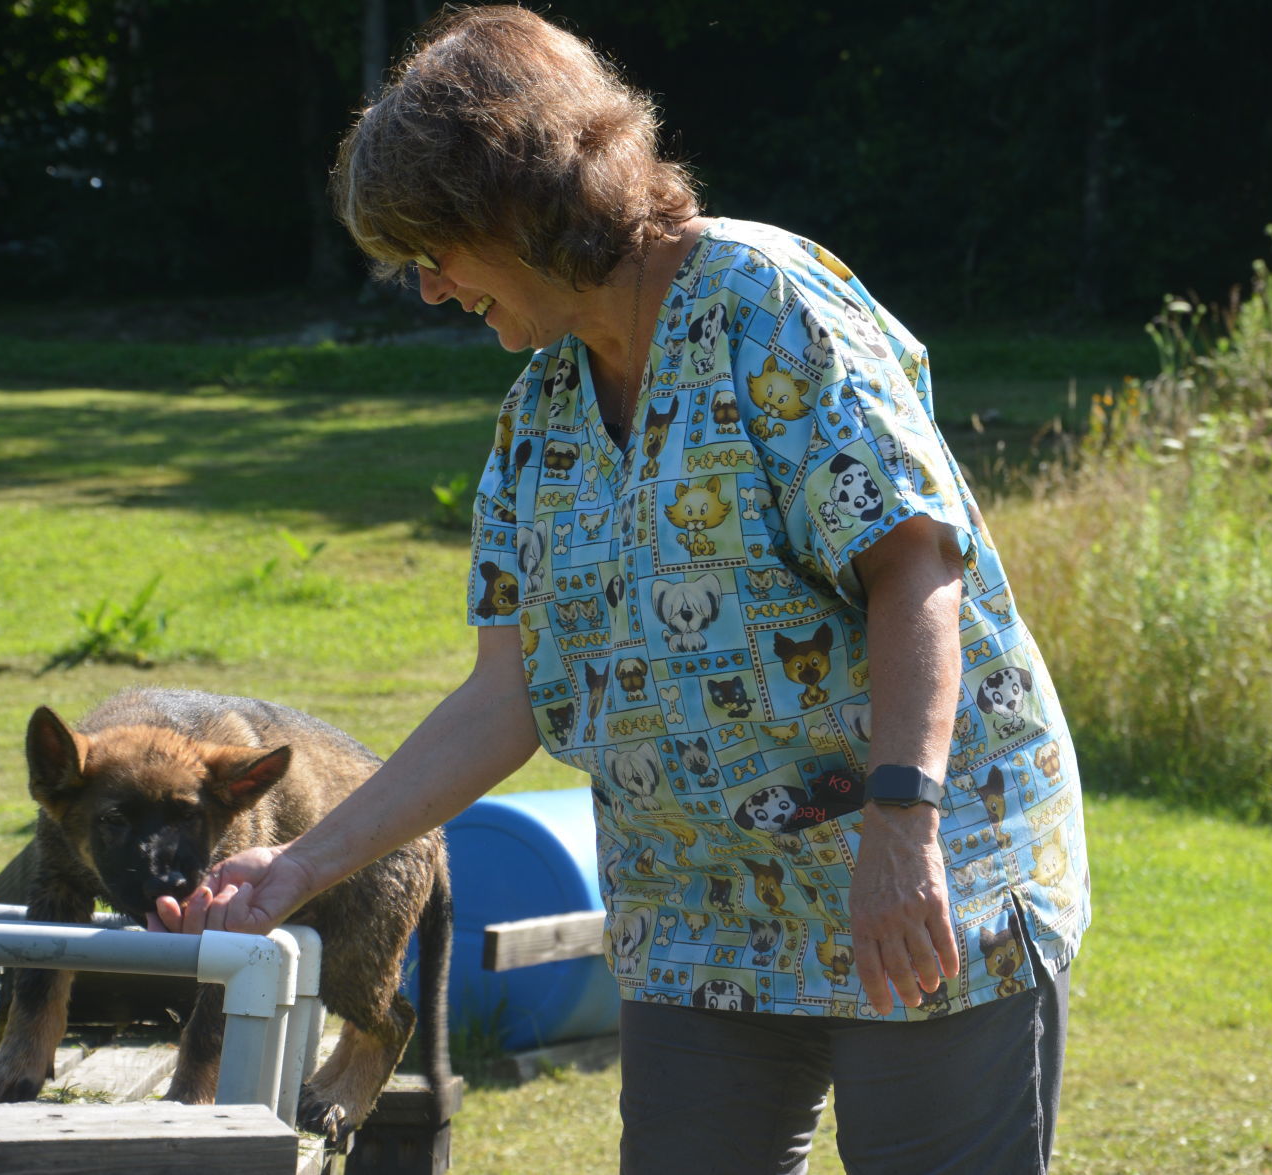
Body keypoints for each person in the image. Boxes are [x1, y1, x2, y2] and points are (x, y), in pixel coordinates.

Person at [152, 8, 1090, 1173]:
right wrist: (296, 867)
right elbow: (507, 696)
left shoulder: (769, 306)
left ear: (518, 202)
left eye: (433, 250)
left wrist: (902, 831)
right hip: (698, 912)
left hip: (923, 870)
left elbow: (914, 568)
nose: (431, 291)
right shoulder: (537, 415)